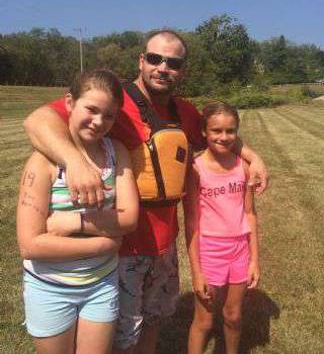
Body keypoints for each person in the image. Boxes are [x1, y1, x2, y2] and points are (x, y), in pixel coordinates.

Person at [24, 30, 268, 354]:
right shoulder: (113, 104)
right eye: (155, 58)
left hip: (165, 245)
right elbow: (37, 120)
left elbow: (220, 136)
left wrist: (253, 157)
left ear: (182, 70)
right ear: (141, 60)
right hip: (123, 247)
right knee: (121, 334)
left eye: (173, 62)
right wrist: (75, 162)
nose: (162, 67)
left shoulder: (185, 112)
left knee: (153, 322)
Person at [17, 69, 139, 354]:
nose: (99, 122)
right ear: (70, 103)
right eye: (92, 110)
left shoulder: (116, 153)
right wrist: (107, 243)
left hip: (101, 285)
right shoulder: (43, 162)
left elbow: (130, 219)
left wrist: (73, 221)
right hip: (50, 288)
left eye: (109, 115)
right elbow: (31, 245)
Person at [184, 101, 260, 354]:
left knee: (233, 315)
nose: (224, 137)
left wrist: (254, 261)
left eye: (230, 131)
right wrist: (196, 272)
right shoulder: (194, 170)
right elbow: (191, 221)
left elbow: (250, 214)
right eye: (216, 130)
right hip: (209, 252)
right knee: (204, 321)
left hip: (239, 250)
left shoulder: (244, 167)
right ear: (204, 131)